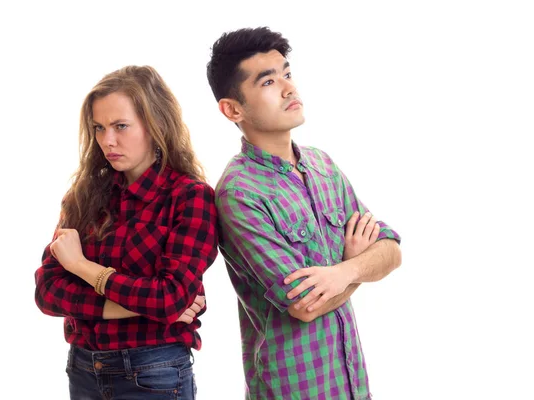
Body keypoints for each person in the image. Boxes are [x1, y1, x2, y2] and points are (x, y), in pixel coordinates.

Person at [206, 27, 402, 399]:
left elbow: (391, 249)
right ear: (232, 108)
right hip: (293, 391)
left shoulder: (322, 165)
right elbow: (304, 305)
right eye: (268, 81)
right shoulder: (239, 193)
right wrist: (358, 262)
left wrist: (345, 270)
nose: (288, 88)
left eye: (287, 74)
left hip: (351, 386)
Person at [34, 65, 218, 400]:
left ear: (155, 124)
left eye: (121, 126)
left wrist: (80, 267)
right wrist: (142, 305)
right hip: (84, 370)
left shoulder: (190, 196)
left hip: (155, 372)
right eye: (99, 128)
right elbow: (47, 293)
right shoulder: (83, 196)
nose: (107, 140)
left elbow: (170, 297)